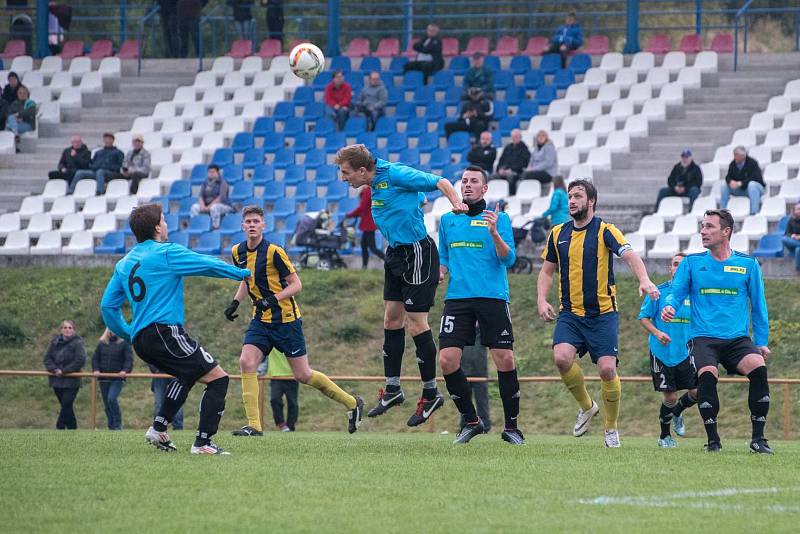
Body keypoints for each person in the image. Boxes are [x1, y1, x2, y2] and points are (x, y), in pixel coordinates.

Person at [101, 203, 251, 454]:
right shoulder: (165, 252)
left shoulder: (124, 263)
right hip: (164, 332)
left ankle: (158, 429)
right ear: (157, 227)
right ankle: (202, 443)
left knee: (187, 374)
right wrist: (241, 273)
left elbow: (107, 307)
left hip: (141, 340)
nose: (167, 224)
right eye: (165, 220)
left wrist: (129, 333)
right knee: (219, 379)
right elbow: (204, 263)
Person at [336, 144, 467, 427]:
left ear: (361, 170)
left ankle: (431, 393)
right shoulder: (375, 181)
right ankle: (393, 389)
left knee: (416, 323)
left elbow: (439, 182)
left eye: (346, 173)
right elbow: (416, 197)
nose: (343, 178)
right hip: (395, 254)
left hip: (416, 253)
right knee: (391, 319)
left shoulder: (395, 173)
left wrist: (456, 202)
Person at [537, 179, 659, 448]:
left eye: (578, 196)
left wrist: (644, 279)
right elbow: (546, 271)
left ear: (591, 201)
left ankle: (610, 427)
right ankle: (587, 406)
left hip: (603, 314)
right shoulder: (558, 233)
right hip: (570, 313)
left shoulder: (606, 230)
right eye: (570, 196)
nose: (572, 201)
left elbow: (630, 255)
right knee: (561, 358)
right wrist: (541, 299)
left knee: (606, 370)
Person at [225, 205, 364, 437]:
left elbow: (296, 284)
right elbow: (246, 279)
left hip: (287, 321)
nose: (251, 225)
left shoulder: (274, 252)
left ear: (263, 226)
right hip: (260, 321)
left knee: (303, 375)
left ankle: (352, 404)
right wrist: (235, 302)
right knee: (246, 362)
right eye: (248, 221)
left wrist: (272, 299)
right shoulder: (237, 252)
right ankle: (254, 426)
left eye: (255, 221)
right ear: (242, 225)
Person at [661, 209, 772, 454]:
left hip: (737, 339)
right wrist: (669, 305)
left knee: (758, 369)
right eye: (702, 226)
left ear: (726, 231)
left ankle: (758, 439)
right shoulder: (691, 263)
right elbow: (676, 291)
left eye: (710, 226)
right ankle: (713, 441)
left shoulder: (747, 264)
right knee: (707, 375)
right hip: (702, 338)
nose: (703, 231)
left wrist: (761, 341)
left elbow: (759, 306)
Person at [438, 166, 524, 445]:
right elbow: (444, 257)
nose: (467, 185)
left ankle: (511, 427)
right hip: (458, 298)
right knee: (447, 360)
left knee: (505, 359)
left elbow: (508, 260)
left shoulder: (499, 219)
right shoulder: (447, 221)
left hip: (492, 297)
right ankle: (471, 420)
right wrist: (439, 270)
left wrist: (495, 233)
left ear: (484, 188)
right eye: (464, 181)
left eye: (474, 181)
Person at [637, 253, 698, 448]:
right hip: (662, 353)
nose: (678, 267)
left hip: (688, 352)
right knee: (670, 397)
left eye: (683, 265)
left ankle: (678, 412)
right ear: (670, 268)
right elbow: (644, 317)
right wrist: (657, 333)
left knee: (698, 392)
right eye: (675, 264)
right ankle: (664, 436)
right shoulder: (658, 292)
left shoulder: (694, 294)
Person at [43, 320, 86, 430]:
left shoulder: (78, 343)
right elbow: (47, 358)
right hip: (56, 380)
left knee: (66, 403)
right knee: (66, 406)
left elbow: (80, 360)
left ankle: (59, 426)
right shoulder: (54, 342)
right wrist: (55, 369)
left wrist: (64, 371)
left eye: (70, 328)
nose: (67, 330)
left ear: (74, 330)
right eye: (65, 327)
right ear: (61, 330)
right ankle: (72, 428)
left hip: (72, 380)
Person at [92, 328, 134, 431]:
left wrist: (125, 371)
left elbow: (129, 360)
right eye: (111, 329)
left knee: (111, 398)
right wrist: (96, 369)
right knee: (107, 404)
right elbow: (95, 359)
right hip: (104, 378)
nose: (113, 331)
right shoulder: (102, 343)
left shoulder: (124, 344)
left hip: (117, 379)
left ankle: (117, 425)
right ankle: (111, 426)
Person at [458, 326, 491, 433]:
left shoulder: (483, 331)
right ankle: (465, 425)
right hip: (464, 371)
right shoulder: (462, 330)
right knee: (465, 400)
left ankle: (485, 427)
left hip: (480, 371)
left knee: (482, 400)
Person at [346, 186, 386, 269]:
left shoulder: (366, 191)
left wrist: (350, 215)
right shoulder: (368, 191)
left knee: (372, 248)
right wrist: (356, 214)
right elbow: (365, 208)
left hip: (368, 224)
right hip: (368, 223)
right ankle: (364, 266)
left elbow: (362, 207)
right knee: (364, 245)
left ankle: (389, 261)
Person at [721, 146, 765, 215]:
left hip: (756, 189)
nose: (735, 157)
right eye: (735, 155)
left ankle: (754, 212)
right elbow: (728, 176)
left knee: (752, 185)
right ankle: (722, 212)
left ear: (743, 156)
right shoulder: (733, 164)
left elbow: (755, 177)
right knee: (724, 186)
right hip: (741, 189)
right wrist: (730, 182)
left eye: (737, 155)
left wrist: (741, 183)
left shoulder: (752, 163)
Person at [190, 164, 235, 230]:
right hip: (207, 206)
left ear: (217, 172)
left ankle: (215, 227)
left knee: (214, 207)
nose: (211, 174)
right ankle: (196, 226)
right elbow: (201, 196)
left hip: (224, 206)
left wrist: (208, 207)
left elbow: (220, 198)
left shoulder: (223, 183)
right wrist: (202, 206)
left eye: (213, 172)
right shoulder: (205, 183)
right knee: (194, 207)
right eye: (209, 172)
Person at [267, 348, 300, 432]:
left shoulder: (293, 338)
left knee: (293, 402)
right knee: (274, 399)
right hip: (276, 376)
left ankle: (290, 426)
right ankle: (281, 424)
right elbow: (261, 355)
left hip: (292, 376)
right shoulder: (270, 338)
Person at [490, 129, 531, 195]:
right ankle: (493, 194)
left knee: (510, 176)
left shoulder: (524, 149)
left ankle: (511, 195)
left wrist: (511, 170)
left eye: (516, 137)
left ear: (520, 137)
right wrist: (500, 169)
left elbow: (523, 163)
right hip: (504, 170)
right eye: (513, 137)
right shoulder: (507, 147)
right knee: (492, 176)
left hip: (516, 172)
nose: (514, 138)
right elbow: (501, 160)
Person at [149, 363, 184, 430]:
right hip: (159, 373)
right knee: (158, 403)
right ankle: (157, 427)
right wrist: (155, 369)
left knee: (177, 401)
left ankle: (178, 427)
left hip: (176, 373)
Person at [782, 203, 800, 272]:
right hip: (793, 242)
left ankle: (798, 270)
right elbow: (786, 233)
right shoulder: (791, 220)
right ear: (794, 211)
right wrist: (792, 236)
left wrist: (799, 237)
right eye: (798, 209)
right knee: (784, 239)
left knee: (798, 250)